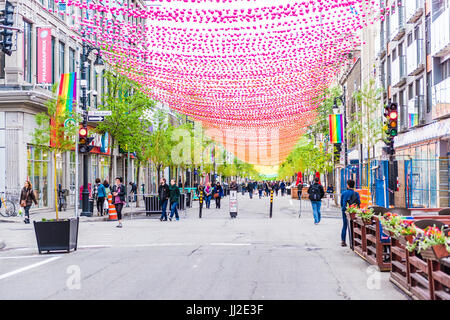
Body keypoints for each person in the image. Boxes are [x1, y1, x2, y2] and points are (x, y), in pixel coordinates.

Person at [340, 180, 361, 247]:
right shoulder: (356, 193)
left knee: (345, 225)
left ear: (348, 185)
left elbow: (341, 204)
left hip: (345, 211)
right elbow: (359, 203)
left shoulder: (343, 193)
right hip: (354, 212)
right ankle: (354, 242)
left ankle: (343, 241)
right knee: (354, 226)